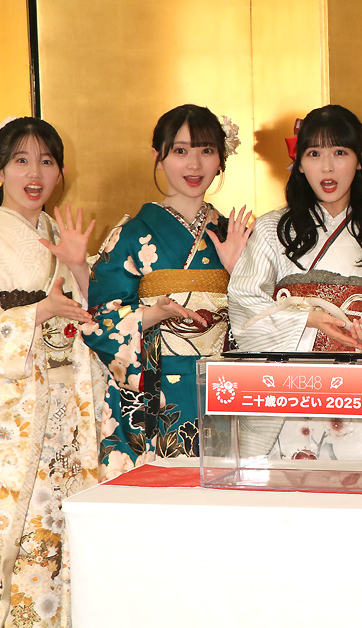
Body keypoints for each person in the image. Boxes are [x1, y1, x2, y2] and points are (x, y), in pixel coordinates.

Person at [0, 116, 106, 628]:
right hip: (11, 412)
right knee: (18, 535)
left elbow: (91, 320)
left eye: (46, 161)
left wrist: (80, 269)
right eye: (21, 160)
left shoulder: (61, 236)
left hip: (68, 410)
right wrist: (38, 310)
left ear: (61, 171)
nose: (34, 173)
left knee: (62, 535)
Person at [228, 104, 362, 460]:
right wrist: (307, 319)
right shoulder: (271, 230)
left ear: (361, 159)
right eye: (314, 154)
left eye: (340, 153)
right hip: (285, 392)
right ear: (299, 163)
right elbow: (244, 301)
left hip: (355, 392)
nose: (327, 167)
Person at [83, 104, 252, 478]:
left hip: (223, 388)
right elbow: (98, 320)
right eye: (180, 150)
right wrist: (152, 314)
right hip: (152, 390)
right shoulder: (130, 235)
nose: (194, 164)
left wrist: (238, 275)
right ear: (158, 156)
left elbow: (262, 326)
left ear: (221, 159)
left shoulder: (236, 236)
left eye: (206, 150)